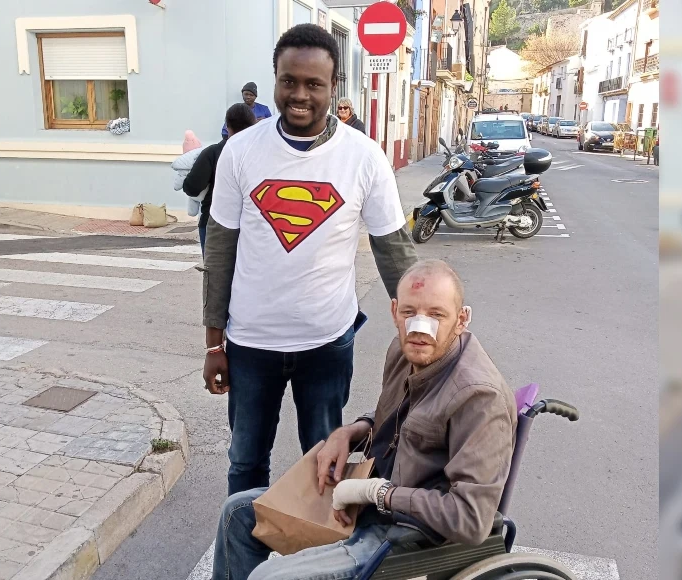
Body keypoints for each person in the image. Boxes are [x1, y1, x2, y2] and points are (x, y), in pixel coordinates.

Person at [203, 24, 418, 496]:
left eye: (314, 84)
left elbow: (395, 255)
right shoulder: (240, 152)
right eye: (289, 81)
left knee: (324, 466)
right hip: (250, 346)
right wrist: (213, 343)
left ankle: (312, 561)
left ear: (334, 87)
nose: (300, 95)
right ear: (275, 80)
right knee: (245, 466)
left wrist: (425, 333)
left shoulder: (364, 158)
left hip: (326, 345)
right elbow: (219, 252)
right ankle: (245, 564)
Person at [211, 260, 516, 580]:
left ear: (462, 319)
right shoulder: (403, 351)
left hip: (408, 535)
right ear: (394, 311)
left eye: (436, 315)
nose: (420, 328)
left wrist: (375, 493)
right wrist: (350, 432)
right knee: (238, 513)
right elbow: (400, 417)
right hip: (370, 505)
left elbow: (471, 518)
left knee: (269, 578)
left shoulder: (480, 397)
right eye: (410, 313)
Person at [184, 104, 257, 254]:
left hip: (215, 223)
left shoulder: (212, 153)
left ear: (227, 125)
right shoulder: (260, 155)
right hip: (252, 225)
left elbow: (192, 187)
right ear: (253, 125)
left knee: (216, 274)